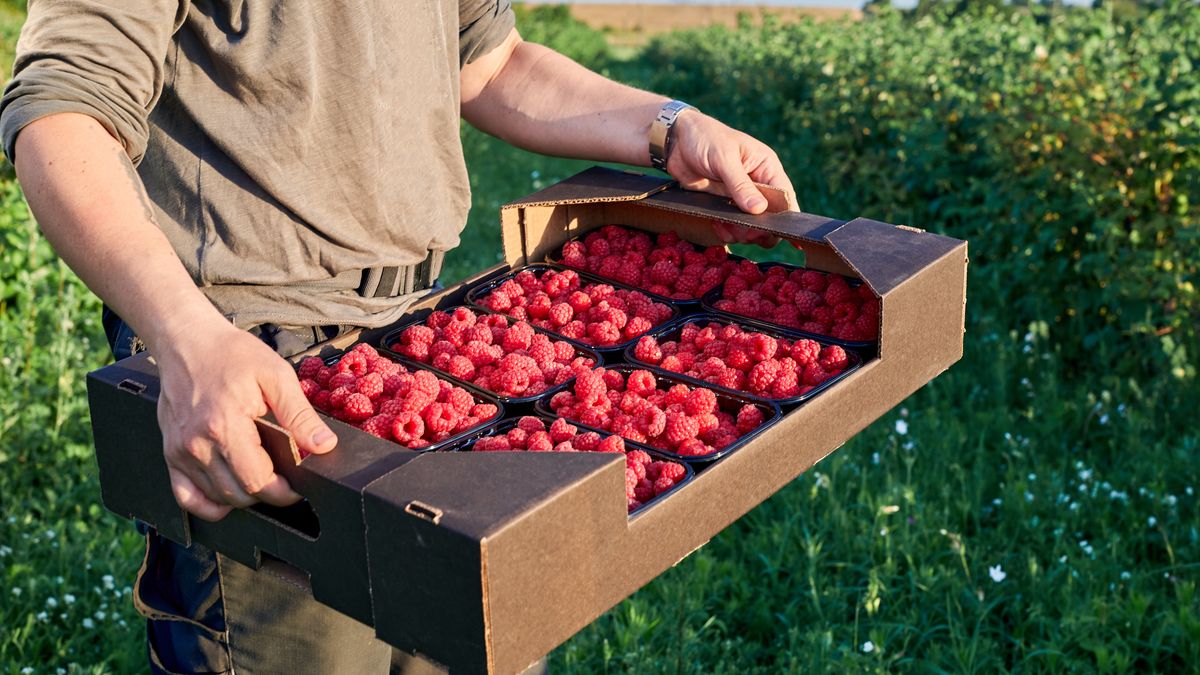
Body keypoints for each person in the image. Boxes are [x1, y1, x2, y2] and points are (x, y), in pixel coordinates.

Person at [1, 1, 795, 672]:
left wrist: (670, 128)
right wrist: (187, 337)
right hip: (255, 368)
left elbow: (490, 62)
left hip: (426, 343)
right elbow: (62, 111)